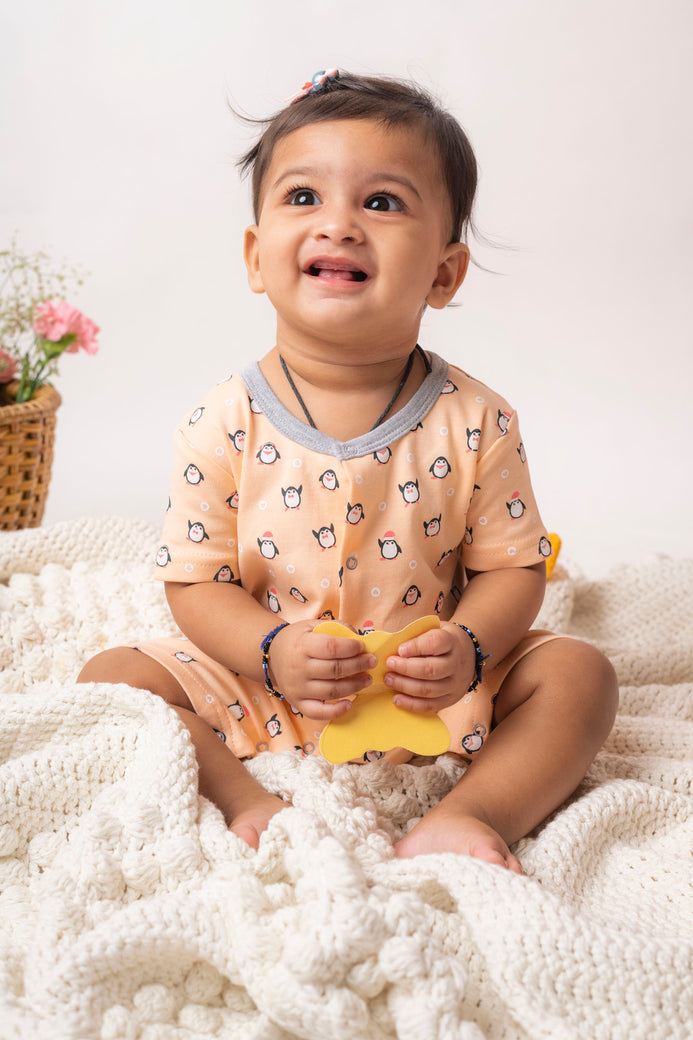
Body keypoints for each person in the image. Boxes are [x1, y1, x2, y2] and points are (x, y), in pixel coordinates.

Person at [79, 70, 618, 872]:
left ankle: (471, 813)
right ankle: (244, 799)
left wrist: (468, 646)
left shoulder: (478, 421)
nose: (338, 224)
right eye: (303, 197)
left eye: (382, 202)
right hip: (266, 679)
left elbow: (511, 569)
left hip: (428, 684)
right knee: (112, 680)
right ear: (256, 257)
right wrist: (269, 650)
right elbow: (196, 585)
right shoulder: (221, 422)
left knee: (580, 674)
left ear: (443, 274)